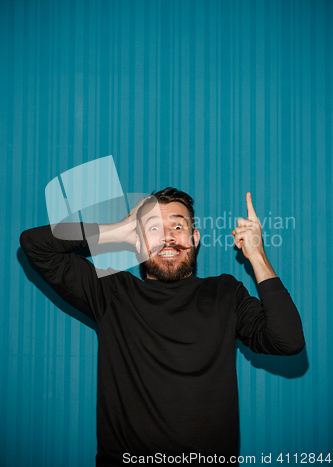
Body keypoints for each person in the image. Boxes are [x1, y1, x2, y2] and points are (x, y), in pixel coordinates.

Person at [20, 187, 305, 466]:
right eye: (153, 229)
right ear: (138, 241)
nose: (168, 238)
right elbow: (35, 243)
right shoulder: (112, 293)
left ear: (195, 238)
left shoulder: (225, 293)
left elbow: (287, 341)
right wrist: (118, 230)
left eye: (178, 227)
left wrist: (257, 255)